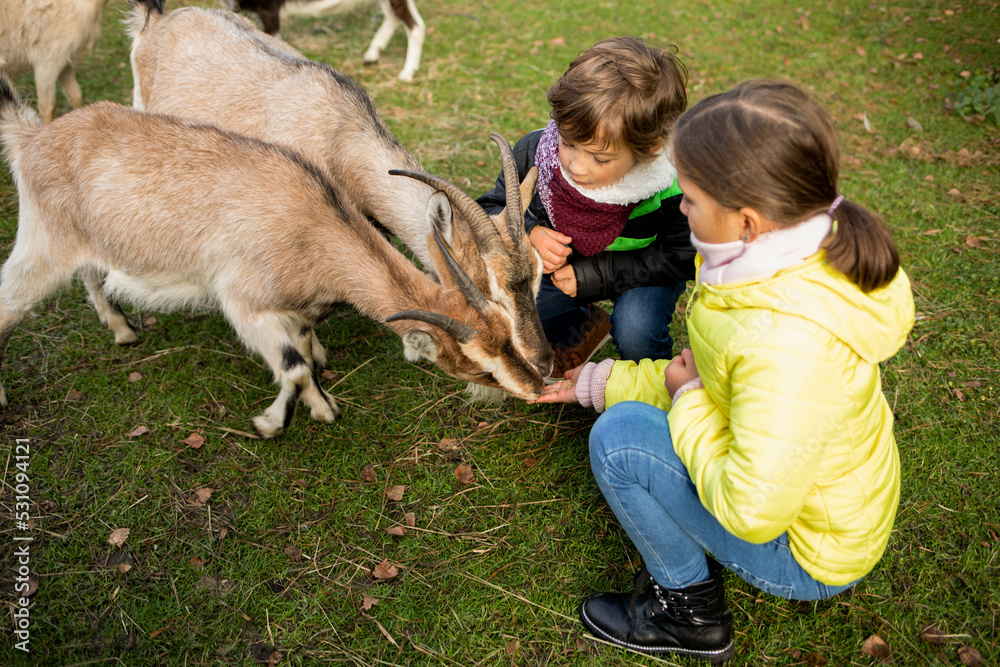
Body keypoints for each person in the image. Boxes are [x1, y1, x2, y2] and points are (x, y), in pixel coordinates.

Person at [531, 79, 916, 663]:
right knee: (622, 416)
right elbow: (717, 384)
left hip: (804, 550)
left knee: (618, 443)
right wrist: (598, 381)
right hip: (819, 510)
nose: (679, 209)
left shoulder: (783, 343)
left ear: (746, 221)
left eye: (688, 199)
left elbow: (751, 510)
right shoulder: (780, 261)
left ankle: (689, 612)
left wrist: (684, 403)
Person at [477, 36, 696, 378]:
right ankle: (581, 327)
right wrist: (528, 230)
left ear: (652, 148)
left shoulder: (672, 186)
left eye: (600, 157)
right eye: (568, 142)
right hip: (564, 273)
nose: (576, 166)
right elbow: (489, 208)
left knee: (636, 331)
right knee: (512, 316)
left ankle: (651, 383)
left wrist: (596, 276)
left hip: (645, 273)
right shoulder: (536, 153)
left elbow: (682, 256)